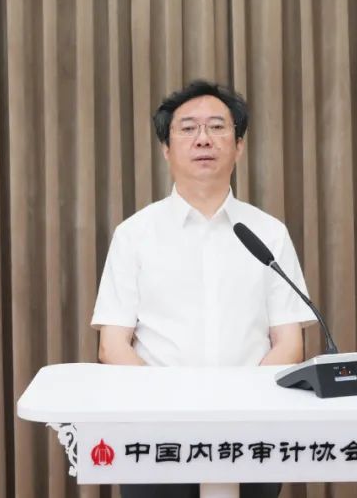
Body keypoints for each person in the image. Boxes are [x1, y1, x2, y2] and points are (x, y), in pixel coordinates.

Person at [91, 80, 315, 498]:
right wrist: (169, 405)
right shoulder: (134, 234)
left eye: (217, 127)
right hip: (155, 434)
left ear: (239, 145)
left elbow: (289, 342)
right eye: (188, 128)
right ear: (166, 148)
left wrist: (241, 404)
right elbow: (113, 344)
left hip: (250, 432)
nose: (203, 139)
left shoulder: (268, 233)